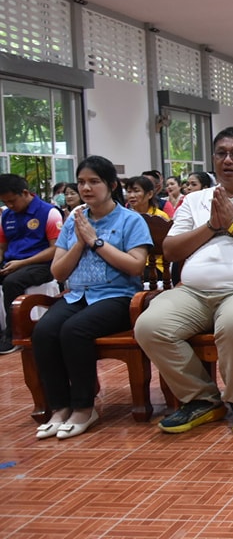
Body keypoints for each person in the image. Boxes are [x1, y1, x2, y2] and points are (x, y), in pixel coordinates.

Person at [135, 127, 233, 435]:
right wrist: (211, 225)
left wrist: (232, 223)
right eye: (221, 154)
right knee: (149, 326)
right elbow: (170, 249)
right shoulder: (195, 200)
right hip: (193, 292)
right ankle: (202, 399)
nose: (228, 160)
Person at [32, 156, 152, 439]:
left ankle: (84, 407)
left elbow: (135, 266)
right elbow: (58, 269)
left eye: (94, 182)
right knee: (44, 331)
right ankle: (60, 407)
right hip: (77, 296)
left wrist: (96, 242)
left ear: (111, 185)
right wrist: (79, 241)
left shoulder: (130, 220)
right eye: (82, 182)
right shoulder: (74, 220)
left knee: (75, 331)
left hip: (118, 298)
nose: (86, 188)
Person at [0, 174, 63, 354]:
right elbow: (2, 246)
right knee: (10, 276)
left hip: (41, 264)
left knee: (12, 282)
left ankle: (13, 335)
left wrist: (22, 263)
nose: (10, 206)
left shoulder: (49, 212)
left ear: (25, 193)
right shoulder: (6, 215)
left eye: (12, 201)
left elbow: (55, 249)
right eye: (5, 202)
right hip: (13, 262)